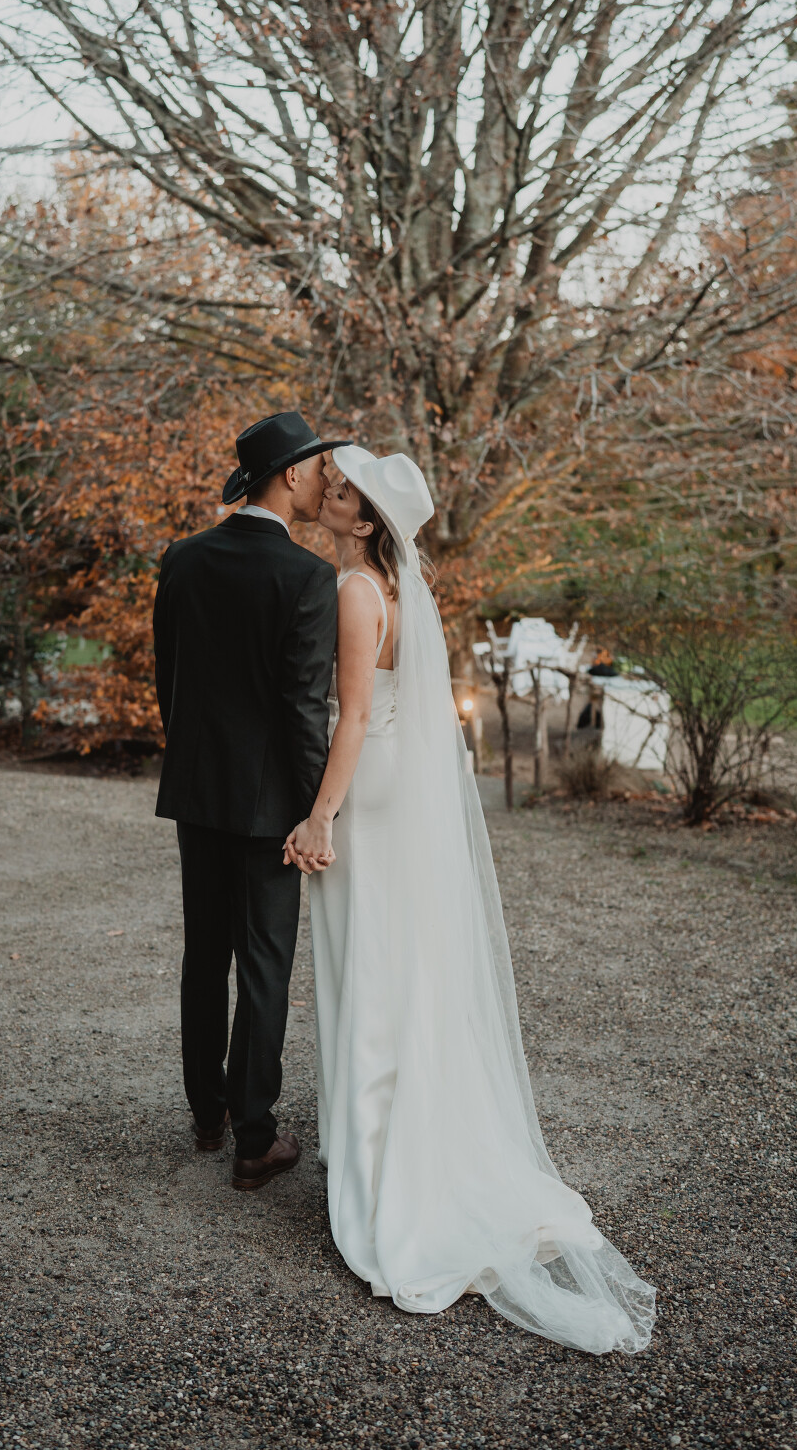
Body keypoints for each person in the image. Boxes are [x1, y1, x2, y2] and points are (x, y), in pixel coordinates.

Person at [284, 445, 656, 1354]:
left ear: (364, 521)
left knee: (370, 968)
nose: (327, 494)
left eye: (341, 491)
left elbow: (355, 715)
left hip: (366, 787)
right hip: (398, 785)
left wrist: (320, 815)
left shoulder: (356, 591)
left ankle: (384, 1171)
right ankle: (397, 1138)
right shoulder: (400, 589)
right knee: (399, 962)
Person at [152, 411, 346, 1190]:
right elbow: (303, 708)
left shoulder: (183, 558)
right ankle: (254, 1140)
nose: (323, 483)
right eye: (317, 470)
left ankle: (208, 1114)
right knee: (264, 965)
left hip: (197, 794)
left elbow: (167, 680)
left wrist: (194, 765)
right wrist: (314, 810)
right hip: (270, 808)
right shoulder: (307, 577)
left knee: (204, 955)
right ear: (291, 476)